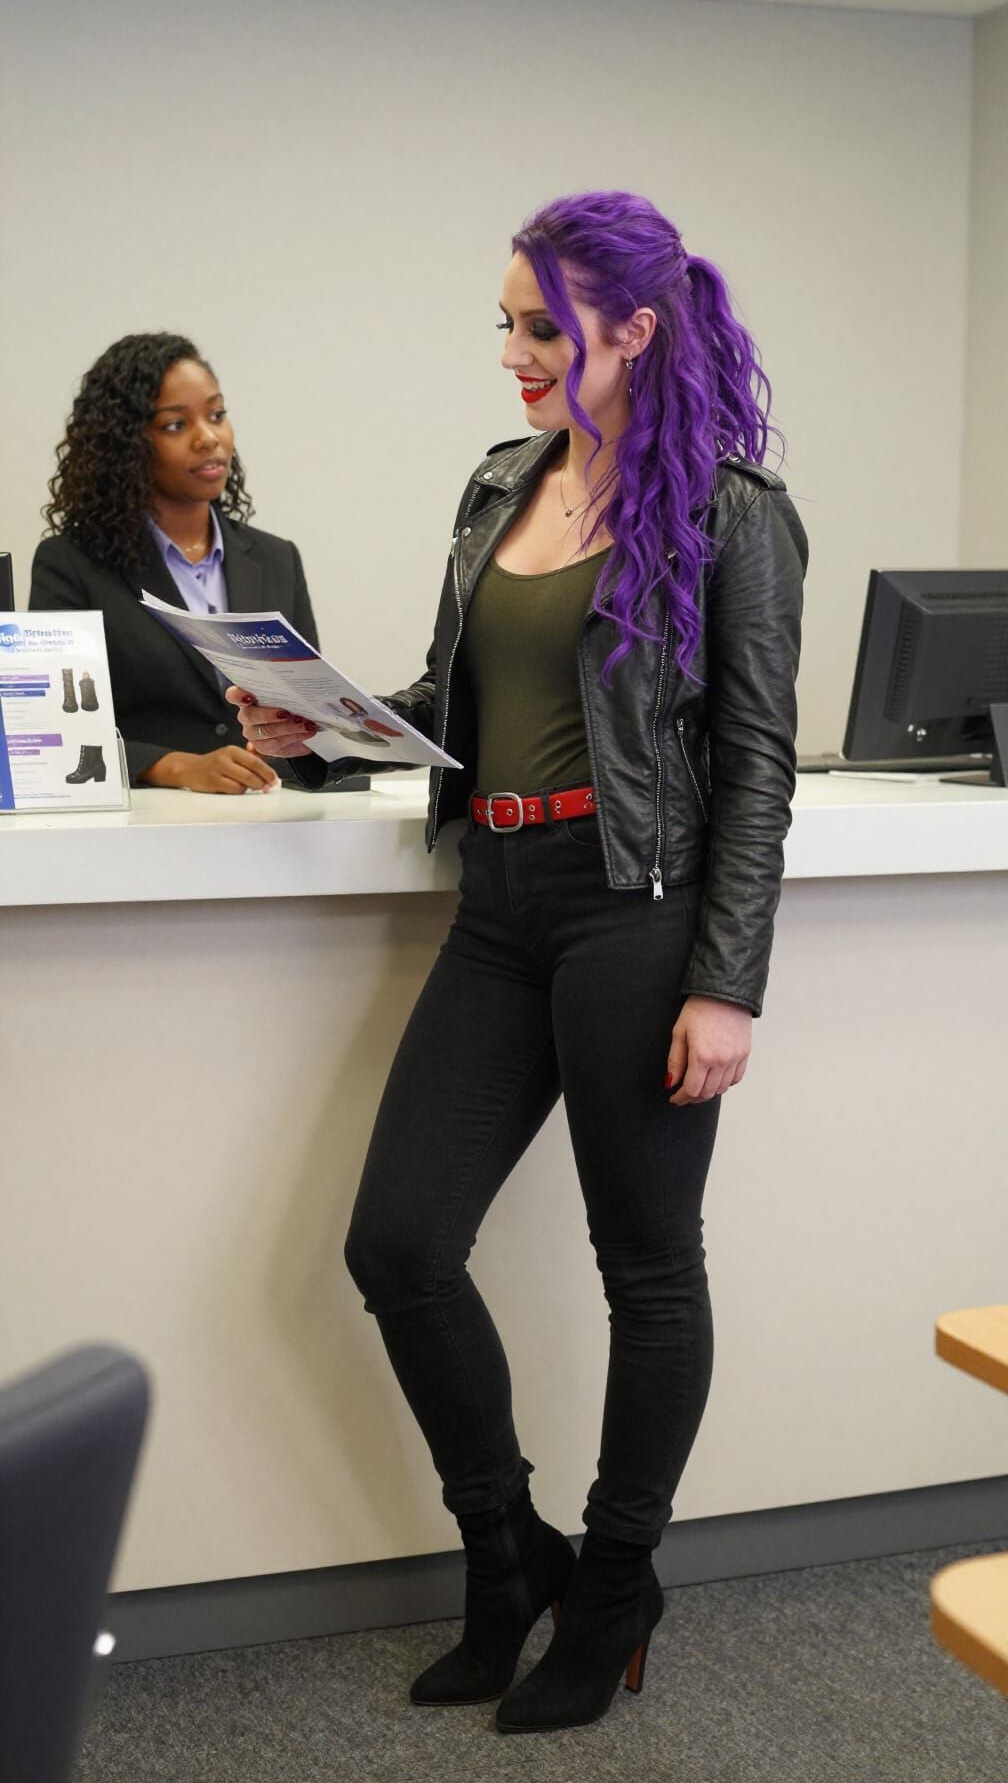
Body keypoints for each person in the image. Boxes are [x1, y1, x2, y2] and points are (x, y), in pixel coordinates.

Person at [229, 190, 807, 1734]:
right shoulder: (501, 487)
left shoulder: (732, 515)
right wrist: (322, 725)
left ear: (635, 328)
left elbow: (757, 763)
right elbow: (462, 692)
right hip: (499, 896)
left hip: (641, 908)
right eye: (505, 323)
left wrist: (727, 980)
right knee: (399, 1244)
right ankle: (509, 1555)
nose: (514, 354)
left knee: (647, 1267)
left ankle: (616, 1580)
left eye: (543, 327)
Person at [30, 333, 321, 792]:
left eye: (217, 415)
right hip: (145, 830)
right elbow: (56, 729)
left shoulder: (276, 558)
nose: (208, 438)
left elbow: (309, 705)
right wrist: (178, 767)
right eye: (174, 425)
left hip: (270, 817)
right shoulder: (71, 564)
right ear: (125, 446)